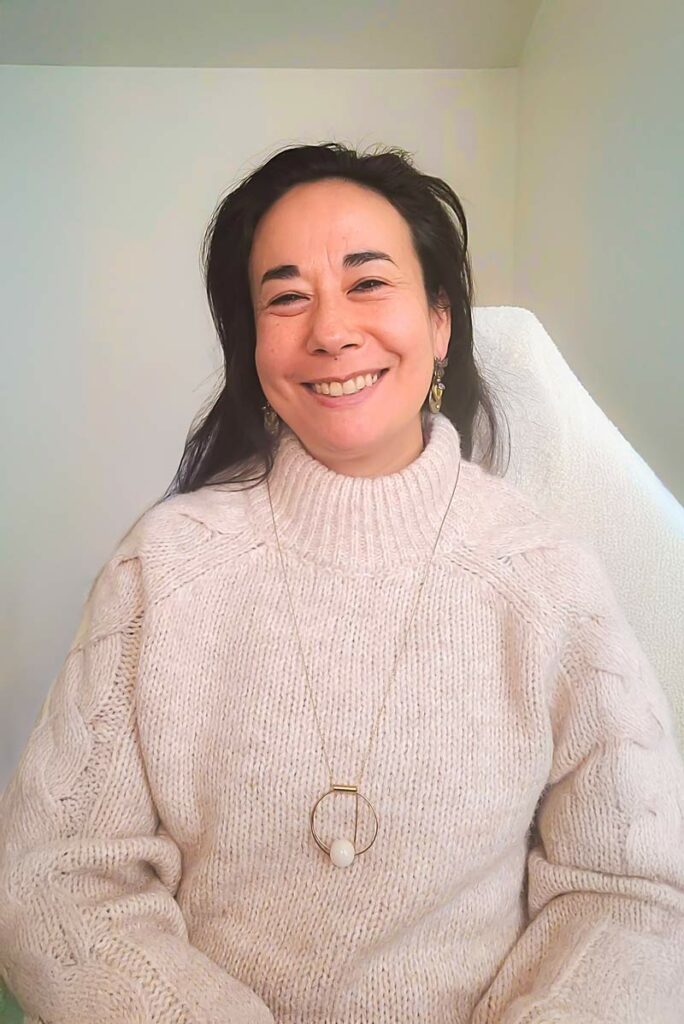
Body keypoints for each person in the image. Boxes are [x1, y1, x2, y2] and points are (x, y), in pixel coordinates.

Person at [0, 141, 682, 1024]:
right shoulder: (162, 570)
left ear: (440, 321)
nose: (330, 330)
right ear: (252, 347)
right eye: (286, 297)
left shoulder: (549, 582)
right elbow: (55, 880)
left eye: (368, 283)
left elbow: (633, 891)